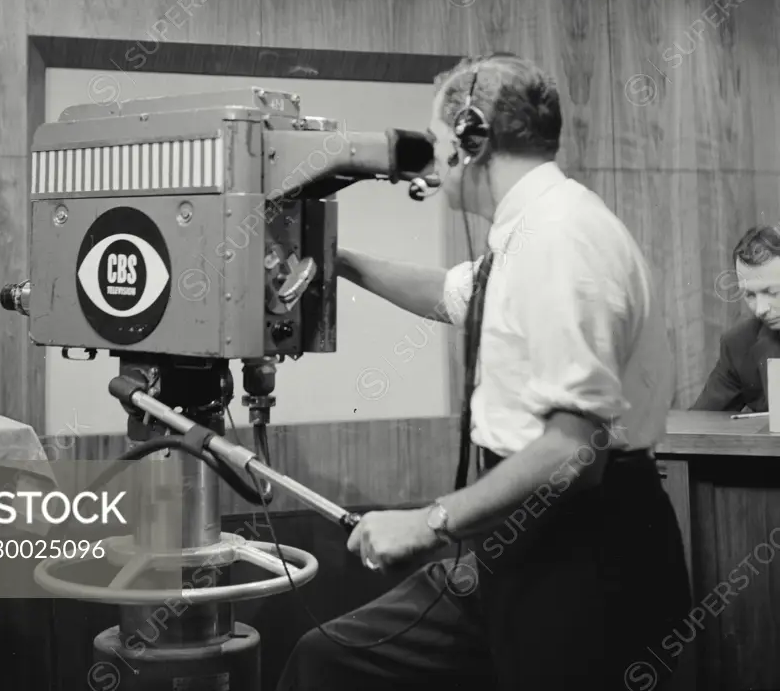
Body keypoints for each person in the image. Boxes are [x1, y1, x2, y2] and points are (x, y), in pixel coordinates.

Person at [276, 54, 691, 691]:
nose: (431, 161)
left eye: (438, 142)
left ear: (471, 138)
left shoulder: (560, 242)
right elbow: (451, 293)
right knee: (328, 657)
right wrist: (339, 262)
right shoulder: (528, 230)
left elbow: (573, 454)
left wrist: (427, 522)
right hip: (517, 539)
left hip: (582, 551)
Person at [691, 223, 780, 412]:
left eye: (772, 292)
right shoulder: (739, 344)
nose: (760, 310)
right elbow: (702, 423)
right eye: (750, 295)